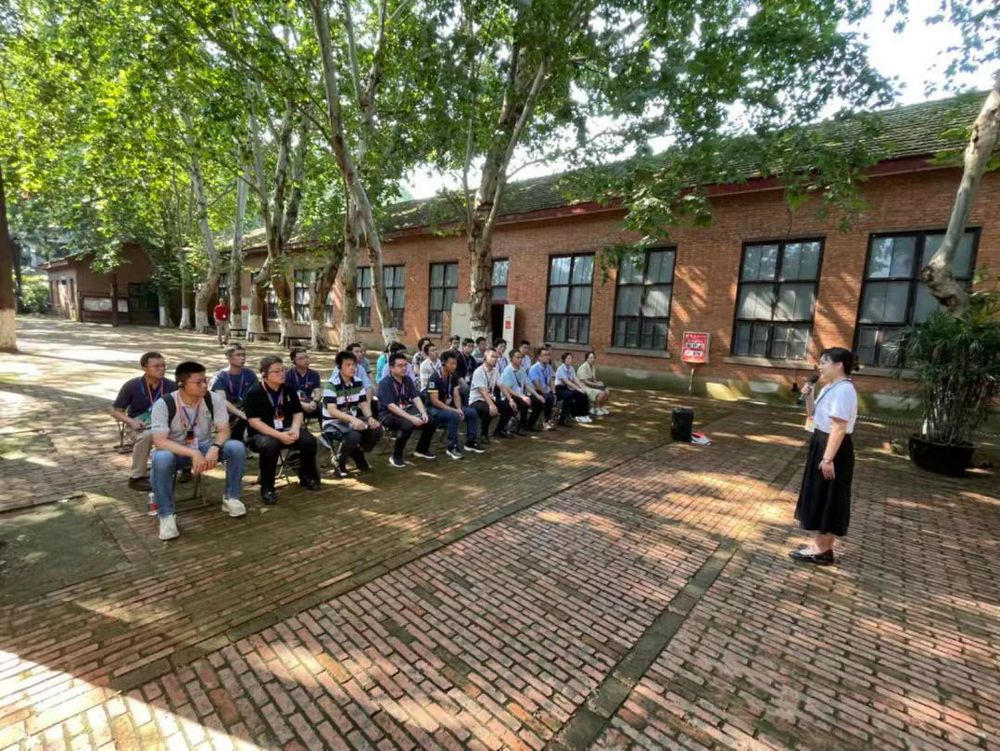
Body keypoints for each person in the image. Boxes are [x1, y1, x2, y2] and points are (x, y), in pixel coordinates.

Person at [149, 361, 246, 541]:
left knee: (236, 447)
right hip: (176, 450)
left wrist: (215, 448)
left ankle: (231, 498)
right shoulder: (164, 404)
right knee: (160, 458)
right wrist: (193, 453)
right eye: (198, 382)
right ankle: (166, 515)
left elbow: (224, 431)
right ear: (182, 384)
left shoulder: (212, 399)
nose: (204, 385)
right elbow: (160, 441)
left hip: (205, 446)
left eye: (205, 380)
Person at [790, 347, 859, 565]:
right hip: (821, 442)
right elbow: (812, 415)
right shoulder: (830, 387)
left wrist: (828, 459)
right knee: (820, 495)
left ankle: (822, 550)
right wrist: (809, 394)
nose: (820, 367)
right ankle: (821, 546)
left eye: (824, 362)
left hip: (833, 447)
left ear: (839, 365)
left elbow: (839, 427)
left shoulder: (844, 390)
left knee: (830, 496)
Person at [243, 355, 322, 504]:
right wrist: (279, 436)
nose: (282, 374)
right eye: (277, 371)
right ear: (265, 374)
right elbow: (254, 422)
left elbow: (297, 413)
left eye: (283, 370)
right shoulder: (254, 393)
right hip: (262, 434)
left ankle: (307, 476)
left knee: (308, 440)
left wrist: (295, 429)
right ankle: (267, 488)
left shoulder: (288, 389)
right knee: (270, 445)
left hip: (287, 429)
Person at [111, 352, 178, 491]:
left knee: (185, 430)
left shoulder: (171, 386)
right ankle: (136, 477)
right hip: (139, 423)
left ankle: (185, 466)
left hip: (164, 422)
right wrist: (131, 422)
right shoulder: (132, 385)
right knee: (147, 436)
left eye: (164, 365)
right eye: (156, 366)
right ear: (144, 368)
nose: (162, 369)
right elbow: (116, 411)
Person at [322, 350, 384, 478]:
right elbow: (332, 411)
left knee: (377, 429)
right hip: (333, 422)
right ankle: (339, 461)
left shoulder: (357, 381)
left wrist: (370, 417)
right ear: (339, 367)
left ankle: (357, 451)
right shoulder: (331, 385)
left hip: (352, 419)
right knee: (353, 435)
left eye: (354, 365)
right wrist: (352, 420)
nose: (352, 368)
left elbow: (363, 403)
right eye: (348, 365)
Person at [377, 352, 438, 467]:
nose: (404, 368)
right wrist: (411, 418)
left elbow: (415, 397)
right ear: (391, 368)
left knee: (431, 421)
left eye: (405, 365)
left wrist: (423, 412)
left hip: (405, 410)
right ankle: (396, 456)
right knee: (407, 425)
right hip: (388, 415)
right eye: (400, 366)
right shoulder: (385, 383)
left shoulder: (407, 380)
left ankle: (421, 449)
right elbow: (391, 406)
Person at [424, 350, 485, 458]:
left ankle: (471, 442)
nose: (454, 366)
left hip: (449, 406)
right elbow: (435, 401)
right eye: (451, 364)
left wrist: (459, 408)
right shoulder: (435, 377)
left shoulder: (453, 376)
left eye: (455, 363)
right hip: (434, 408)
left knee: (472, 413)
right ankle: (452, 447)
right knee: (453, 415)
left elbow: (456, 394)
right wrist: (454, 410)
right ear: (444, 364)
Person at [211, 345, 258, 442]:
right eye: (238, 355)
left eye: (244, 355)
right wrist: (241, 414)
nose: (242, 358)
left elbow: (256, 394)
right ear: (228, 357)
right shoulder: (219, 377)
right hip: (227, 412)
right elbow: (221, 401)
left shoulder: (250, 374)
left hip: (246, 409)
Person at [468, 347, 501, 442]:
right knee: (487, 409)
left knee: (506, 406)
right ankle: (483, 434)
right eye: (492, 356)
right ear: (485, 358)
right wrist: (491, 405)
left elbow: (501, 385)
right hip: (476, 400)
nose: (495, 359)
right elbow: (482, 391)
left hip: (489, 398)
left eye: (496, 357)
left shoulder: (495, 371)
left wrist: (510, 399)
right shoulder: (479, 371)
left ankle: (500, 430)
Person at [498, 350, 533, 437]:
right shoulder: (508, 370)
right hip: (509, 395)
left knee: (532, 400)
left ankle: (522, 426)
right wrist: (522, 396)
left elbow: (526, 384)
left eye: (521, 358)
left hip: (519, 395)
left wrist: (537, 395)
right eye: (517, 357)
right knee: (523, 403)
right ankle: (508, 428)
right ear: (511, 359)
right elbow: (507, 388)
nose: (520, 359)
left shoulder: (522, 369)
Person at [285, 348, 322, 424]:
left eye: (306, 357)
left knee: (323, 408)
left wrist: (314, 402)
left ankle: (326, 430)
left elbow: (317, 392)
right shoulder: (288, 375)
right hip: (293, 403)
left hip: (309, 402)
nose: (306, 360)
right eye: (301, 358)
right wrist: (302, 405)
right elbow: (287, 396)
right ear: (294, 361)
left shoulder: (314, 374)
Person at [555, 353, 592, 424]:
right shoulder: (560, 369)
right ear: (564, 360)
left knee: (583, 394)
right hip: (559, 389)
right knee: (570, 395)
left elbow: (575, 379)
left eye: (571, 358)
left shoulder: (571, 368)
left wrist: (582, 387)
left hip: (567, 388)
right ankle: (571, 416)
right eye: (568, 358)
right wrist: (578, 388)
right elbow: (567, 381)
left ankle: (584, 414)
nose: (570, 360)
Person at [528, 347, 557, 430]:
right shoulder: (534, 368)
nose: (547, 357)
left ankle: (547, 421)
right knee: (546, 398)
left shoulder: (548, 367)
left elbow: (551, 381)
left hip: (544, 391)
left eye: (548, 355)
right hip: (534, 392)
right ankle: (543, 422)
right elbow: (537, 385)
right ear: (539, 357)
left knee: (552, 396)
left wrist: (554, 393)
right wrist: (548, 394)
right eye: (545, 355)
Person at [576, 351, 611, 415]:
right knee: (601, 393)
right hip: (584, 387)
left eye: (594, 358)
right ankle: (595, 408)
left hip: (591, 385)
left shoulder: (592, 366)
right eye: (591, 358)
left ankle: (601, 406)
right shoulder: (583, 367)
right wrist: (596, 384)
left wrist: (598, 382)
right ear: (587, 359)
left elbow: (594, 379)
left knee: (607, 391)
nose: (593, 359)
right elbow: (585, 381)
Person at [456, 338, 477, 404]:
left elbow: (474, 372)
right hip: (459, 380)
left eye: (472, 346)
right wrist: (463, 381)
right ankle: (466, 404)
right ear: (463, 346)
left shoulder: (472, 359)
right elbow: (456, 372)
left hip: (469, 379)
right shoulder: (458, 357)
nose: (471, 348)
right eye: (469, 346)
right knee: (466, 388)